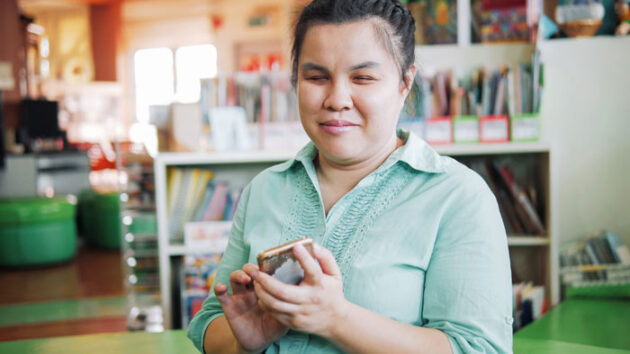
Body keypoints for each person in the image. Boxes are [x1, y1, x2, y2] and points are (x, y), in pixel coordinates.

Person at [187, 0, 513, 353]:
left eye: (362, 78)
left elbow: (478, 348)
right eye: (316, 77)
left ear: (405, 82)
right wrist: (245, 341)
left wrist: (337, 319)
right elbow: (208, 323)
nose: (337, 99)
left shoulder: (458, 195)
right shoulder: (264, 189)